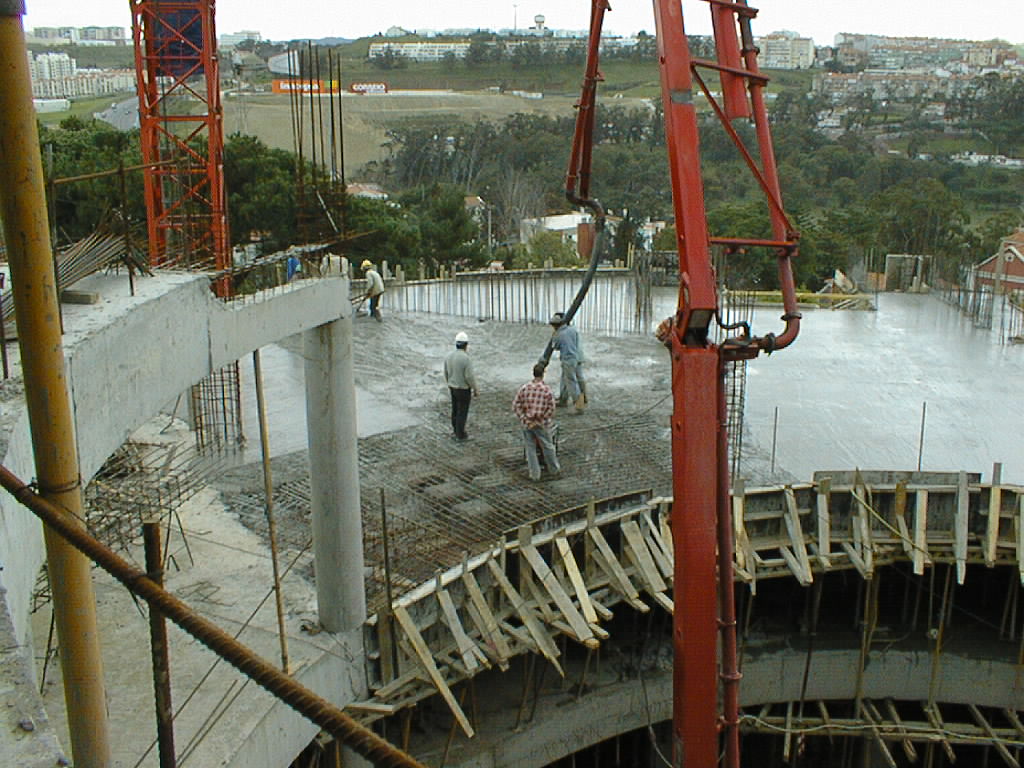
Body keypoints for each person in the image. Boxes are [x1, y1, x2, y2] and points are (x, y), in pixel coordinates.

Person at [513, 363, 562, 481]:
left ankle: (534, 474)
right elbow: (551, 409)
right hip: (541, 424)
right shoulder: (546, 390)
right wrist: (540, 421)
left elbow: (516, 405)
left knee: (530, 448)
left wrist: (525, 420)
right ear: (543, 374)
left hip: (527, 424)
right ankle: (554, 469)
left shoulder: (524, 388)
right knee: (548, 446)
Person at [547, 312, 587, 413]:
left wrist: (554, 336)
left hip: (568, 360)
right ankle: (565, 399)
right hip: (577, 357)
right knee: (571, 379)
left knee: (571, 382)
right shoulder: (572, 330)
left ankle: (579, 405)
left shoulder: (559, 334)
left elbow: (555, 347)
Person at [444, 331, 478, 441]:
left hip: (452, 387)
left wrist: (449, 382)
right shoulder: (466, 358)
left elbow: (445, 372)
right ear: (466, 345)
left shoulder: (449, 356)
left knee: (455, 409)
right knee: (462, 411)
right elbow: (469, 376)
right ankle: (461, 434)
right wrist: (475, 388)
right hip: (463, 389)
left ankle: (455, 430)